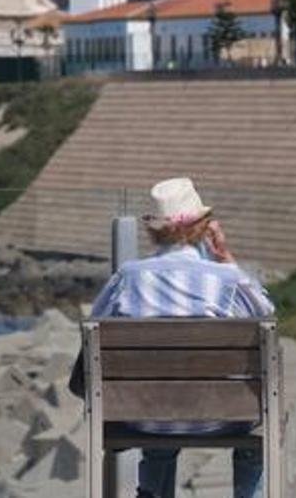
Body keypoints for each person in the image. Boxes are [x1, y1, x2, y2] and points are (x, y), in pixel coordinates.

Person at [86, 177, 275, 498]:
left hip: (142, 418)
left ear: (153, 230)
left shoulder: (128, 277)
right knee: (254, 438)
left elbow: (94, 328)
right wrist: (226, 257)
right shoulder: (227, 280)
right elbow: (267, 315)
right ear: (204, 228)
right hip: (219, 416)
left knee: (161, 418)